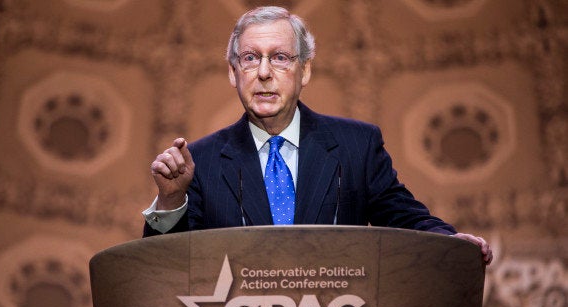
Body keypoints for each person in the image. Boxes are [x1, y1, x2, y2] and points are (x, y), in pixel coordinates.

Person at [142, 6, 492, 265]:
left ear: (304, 70)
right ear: (234, 73)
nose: (264, 72)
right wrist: (172, 201)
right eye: (250, 58)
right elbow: (165, 269)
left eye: (280, 57)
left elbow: (407, 218)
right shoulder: (200, 162)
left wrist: (450, 241)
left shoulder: (357, 146)